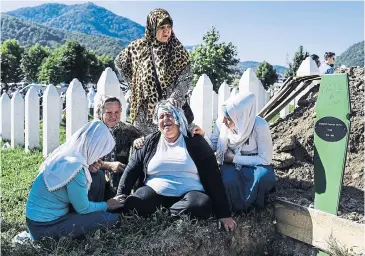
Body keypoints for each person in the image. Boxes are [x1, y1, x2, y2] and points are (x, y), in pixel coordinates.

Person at [116, 100, 236, 232]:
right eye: (161, 116)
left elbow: (214, 177)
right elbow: (130, 171)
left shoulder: (195, 142)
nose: (165, 120)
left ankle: (161, 215)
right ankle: (171, 215)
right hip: (155, 193)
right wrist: (119, 200)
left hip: (190, 195)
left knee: (201, 205)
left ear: (179, 118)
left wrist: (224, 214)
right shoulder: (149, 142)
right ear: (157, 121)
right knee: (135, 201)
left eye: (170, 115)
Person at [25, 121, 124, 241]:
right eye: (100, 152)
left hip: (38, 222)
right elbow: (82, 209)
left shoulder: (69, 154)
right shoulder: (76, 169)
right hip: (45, 229)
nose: (100, 157)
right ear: (94, 147)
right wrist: (107, 205)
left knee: (97, 175)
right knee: (112, 220)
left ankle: (93, 215)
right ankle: (95, 216)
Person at [191, 93, 276, 213]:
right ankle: (235, 211)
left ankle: (255, 209)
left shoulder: (260, 125)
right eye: (224, 116)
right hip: (230, 163)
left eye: (229, 117)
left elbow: (265, 159)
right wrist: (203, 135)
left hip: (254, 164)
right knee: (228, 180)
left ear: (241, 116)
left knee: (262, 177)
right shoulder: (222, 123)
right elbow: (214, 147)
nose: (224, 120)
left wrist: (234, 158)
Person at [114, 8, 193, 136]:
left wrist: (175, 97)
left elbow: (186, 77)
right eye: (161, 27)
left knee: (170, 149)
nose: (166, 30)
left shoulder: (177, 50)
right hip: (144, 116)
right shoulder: (137, 48)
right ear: (152, 27)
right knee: (146, 149)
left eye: (169, 26)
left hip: (170, 113)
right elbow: (120, 63)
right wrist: (134, 85)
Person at [91, 95, 143, 199]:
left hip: (123, 180)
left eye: (117, 112)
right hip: (97, 180)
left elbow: (143, 140)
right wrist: (107, 165)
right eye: (109, 112)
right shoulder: (92, 132)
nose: (113, 116)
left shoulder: (129, 130)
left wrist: (139, 140)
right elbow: (83, 161)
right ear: (101, 113)